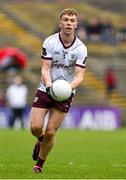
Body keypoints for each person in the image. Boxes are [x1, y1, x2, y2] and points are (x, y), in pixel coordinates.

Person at [30, 8, 87, 173]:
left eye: (72, 20)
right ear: (60, 22)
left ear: (76, 24)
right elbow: (45, 68)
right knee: (35, 127)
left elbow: (79, 76)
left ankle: (39, 165)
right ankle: (39, 140)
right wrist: (49, 86)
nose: (69, 23)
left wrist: (68, 89)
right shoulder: (49, 42)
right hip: (46, 87)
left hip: (66, 92)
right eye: (66, 20)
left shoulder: (81, 48)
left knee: (51, 131)